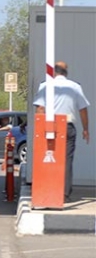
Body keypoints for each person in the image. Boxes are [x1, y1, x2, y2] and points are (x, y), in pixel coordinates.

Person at [33, 61, 90, 203]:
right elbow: (83, 109)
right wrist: (85, 129)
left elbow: (40, 109)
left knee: (47, 157)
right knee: (66, 161)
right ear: (66, 72)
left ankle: (47, 189)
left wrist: (39, 129)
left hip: (49, 126)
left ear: (54, 72)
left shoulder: (45, 86)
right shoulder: (75, 87)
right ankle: (64, 194)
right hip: (68, 126)